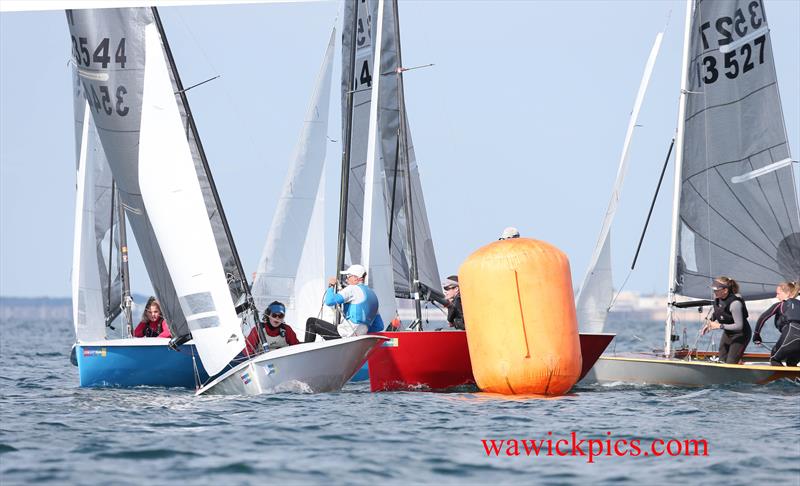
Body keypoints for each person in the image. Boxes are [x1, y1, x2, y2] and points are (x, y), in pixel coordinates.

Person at [304, 264, 384, 342]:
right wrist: (361, 332)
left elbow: (329, 301)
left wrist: (331, 285)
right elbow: (379, 326)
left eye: (348, 277)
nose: (346, 280)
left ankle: (305, 352)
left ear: (356, 278)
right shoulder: (373, 296)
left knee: (311, 322)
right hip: (358, 339)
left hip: (344, 336)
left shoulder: (352, 289)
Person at [700, 277, 752, 364]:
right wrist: (709, 323)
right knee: (721, 359)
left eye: (716, 290)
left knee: (730, 362)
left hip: (741, 335)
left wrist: (719, 326)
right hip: (728, 333)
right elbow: (718, 312)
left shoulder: (735, 303)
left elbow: (739, 326)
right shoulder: (717, 297)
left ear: (725, 290)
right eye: (713, 290)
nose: (714, 292)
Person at [754, 281, 800, 366]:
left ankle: (782, 379)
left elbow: (762, 318)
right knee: (792, 362)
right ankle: (793, 377)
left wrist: (756, 335)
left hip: (791, 334)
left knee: (774, 359)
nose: (776, 296)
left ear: (788, 293)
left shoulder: (781, 304)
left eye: (778, 294)